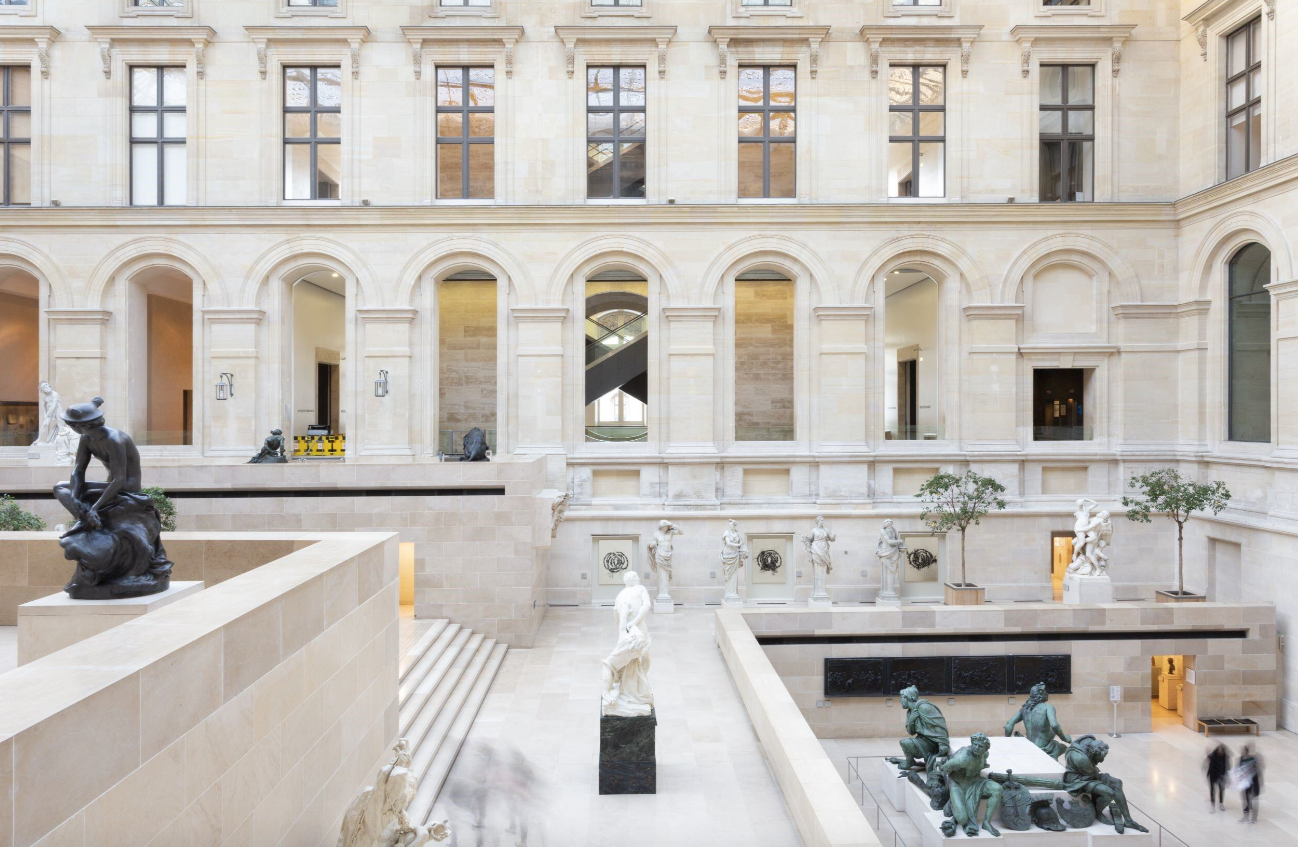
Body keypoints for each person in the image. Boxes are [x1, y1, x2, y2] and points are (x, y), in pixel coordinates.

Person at [1235, 745, 1262, 824]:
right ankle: (1245, 817)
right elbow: (1238, 770)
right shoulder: (1241, 759)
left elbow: (1257, 771)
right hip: (1245, 783)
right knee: (1245, 799)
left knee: (1254, 799)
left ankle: (1254, 818)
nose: (1242, 754)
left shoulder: (1253, 760)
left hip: (1253, 782)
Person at [1205, 743, 1230, 813]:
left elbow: (1227, 765)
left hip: (1221, 775)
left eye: (1222, 751)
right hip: (1213, 775)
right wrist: (1207, 753)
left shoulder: (1225, 756)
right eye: (1219, 751)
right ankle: (1212, 805)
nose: (1221, 752)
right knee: (1212, 790)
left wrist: (1226, 775)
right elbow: (1209, 759)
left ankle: (1221, 803)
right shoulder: (1213, 755)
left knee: (1221, 789)